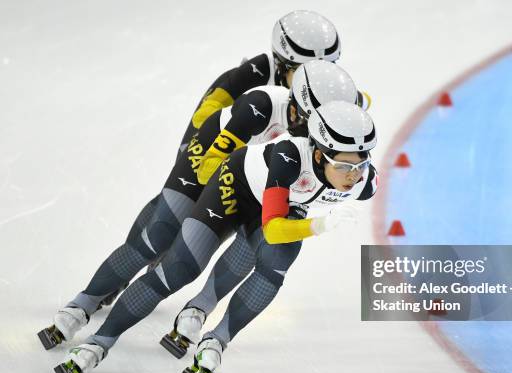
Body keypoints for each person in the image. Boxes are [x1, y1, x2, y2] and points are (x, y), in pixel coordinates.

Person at [38, 58, 365, 351]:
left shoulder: (330, 124)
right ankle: (82, 304)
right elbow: (212, 165)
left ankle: (199, 306)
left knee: (252, 245)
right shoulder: (261, 106)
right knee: (163, 234)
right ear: (296, 110)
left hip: (256, 176)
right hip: (211, 159)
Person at [54, 101, 379, 373]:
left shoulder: (365, 181)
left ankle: (216, 338)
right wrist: (321, 225)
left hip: (282, 207)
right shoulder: (289, 157)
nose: (352, 176)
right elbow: (275, 228)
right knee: (181, 267)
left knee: (276, 263)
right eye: (344, 167)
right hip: (238, 189)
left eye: (359, 166)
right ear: (319, 154)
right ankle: (99, 342)